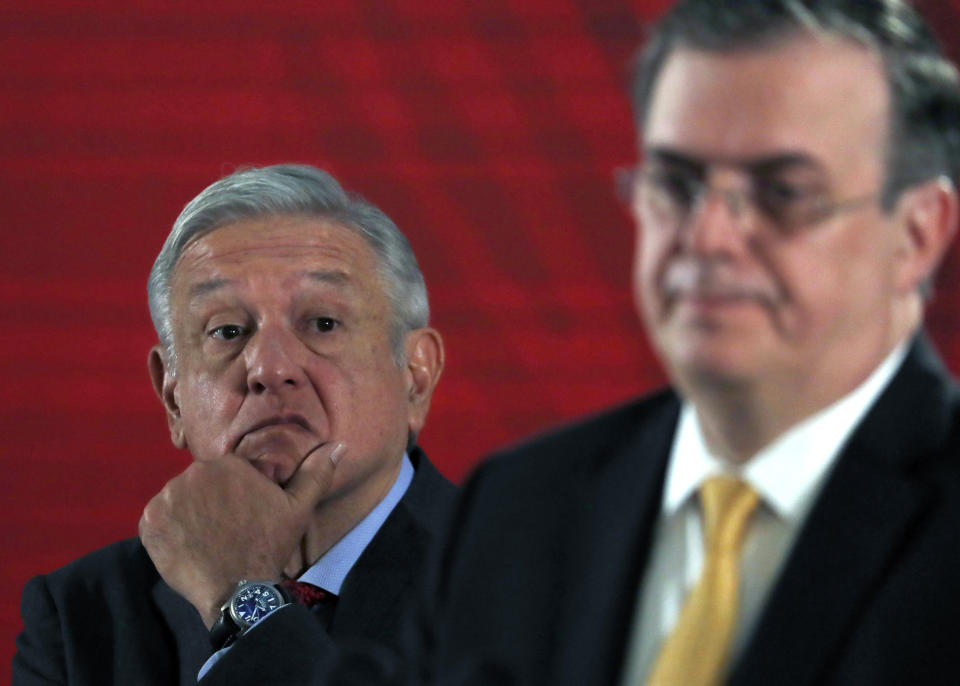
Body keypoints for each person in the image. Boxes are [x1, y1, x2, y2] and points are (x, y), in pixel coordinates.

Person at [209, 0, 960, 684]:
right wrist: (245, 598)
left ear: (918, 233)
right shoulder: (524, 504)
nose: (707, 237)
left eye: (783, 191)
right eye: (677, 184)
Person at [12, 164, 455, 685]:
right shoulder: (81, 616)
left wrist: (242, 603)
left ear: (416, 376)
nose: (269, 368)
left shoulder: (536, 580)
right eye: (227, 331)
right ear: (172, 399)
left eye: (323, 324)